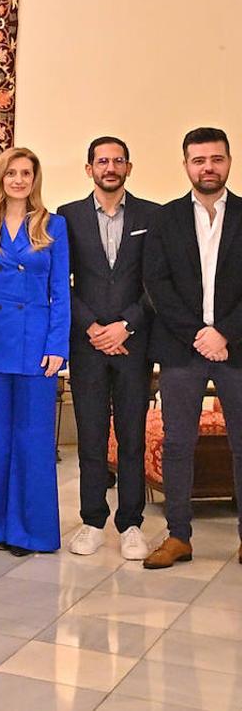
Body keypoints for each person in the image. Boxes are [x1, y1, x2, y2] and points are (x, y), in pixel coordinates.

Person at [143, 127, 242, 570]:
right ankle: (178, 536)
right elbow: (156, 284)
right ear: (185, 164)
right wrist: (198, 334)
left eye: (216, 159)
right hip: (182, 350)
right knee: (179, 443)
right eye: (199, 160)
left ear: (228, 162)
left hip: (237, 349)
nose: (208, 167)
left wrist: (224, 333)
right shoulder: (165, 219)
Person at [0, 147, 69, 556]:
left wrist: (57, 345)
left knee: (33, 439)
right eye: (12, 173)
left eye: (26, 173)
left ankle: (30, 532)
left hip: (35, 345)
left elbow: (60, 291)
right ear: (0, 178)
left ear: (34, 179)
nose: (19, 180)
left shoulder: (53, 225)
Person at [59, 137, 156, 560]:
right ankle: (93, 520)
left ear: (129, 168)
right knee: (93, 437)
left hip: (134, 345)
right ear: (89, 169)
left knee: (131, 437)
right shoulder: (68, 217)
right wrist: (94, 327)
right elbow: (60, 283)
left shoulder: (153, 216)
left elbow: (156, 284)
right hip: (88, 344)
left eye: (118, 161)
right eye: (102, 161)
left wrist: (126, 326)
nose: (110, 167)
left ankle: (131, 523)